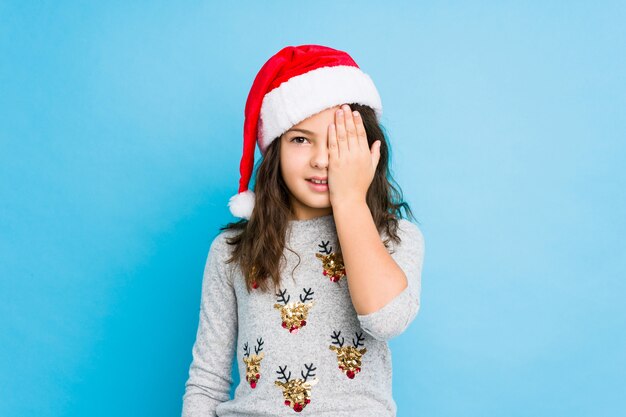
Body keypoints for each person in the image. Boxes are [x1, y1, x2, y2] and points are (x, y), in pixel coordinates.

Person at [181, 44, 425, 417]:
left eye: (339, 141)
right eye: (300, 139)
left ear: (368, 151)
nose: (321, 159)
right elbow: (207, 381)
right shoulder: (231, 250)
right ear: (275, 148)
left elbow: (385, 319)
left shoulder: (395, 237)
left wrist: (349, 201)